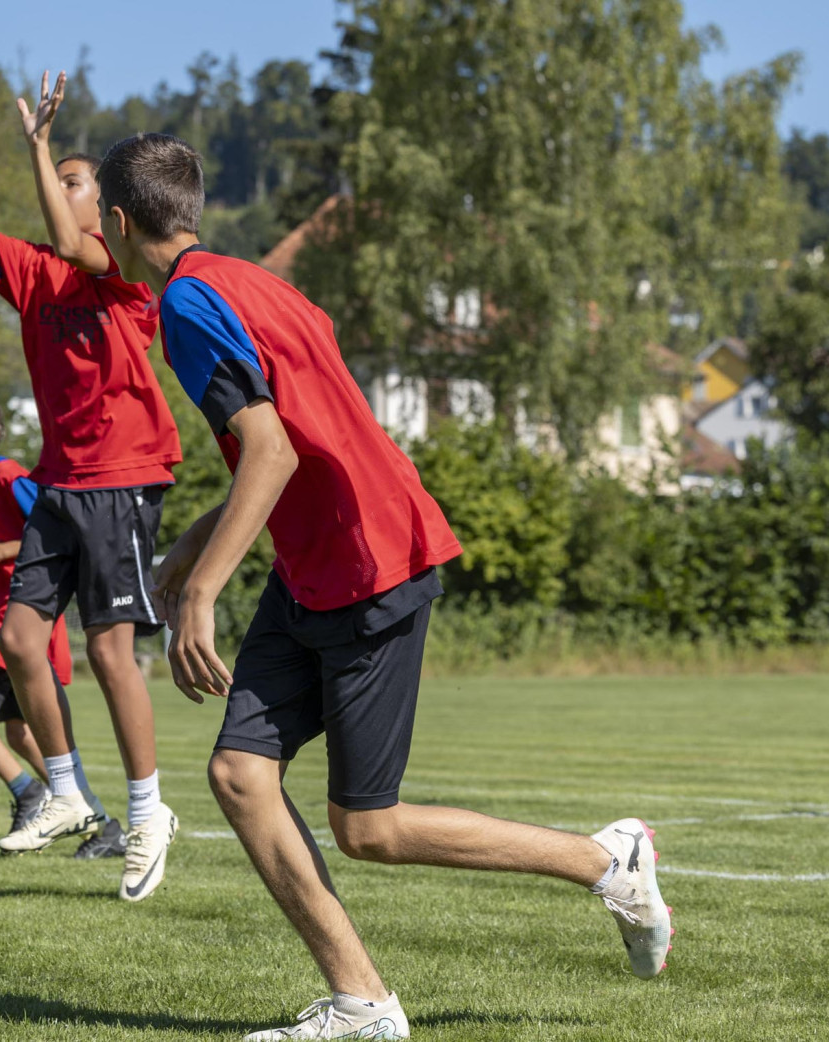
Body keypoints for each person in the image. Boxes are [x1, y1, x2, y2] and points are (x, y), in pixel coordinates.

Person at [95, 132, 675, 1040]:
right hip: (318, 561)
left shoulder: (184, 308)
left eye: (100, 220)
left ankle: (607, 860)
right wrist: (197, 544)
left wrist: (201, 587)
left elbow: (275, 449)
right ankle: (363, 1007)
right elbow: (300, 437)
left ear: (119, 222)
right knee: (241, 776)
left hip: (369, 565)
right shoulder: (259, 283)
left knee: (370, 828)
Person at [0, 72, 183, 898]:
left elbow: (71, 241)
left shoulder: (120, 267)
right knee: (20, 642)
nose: (60, 188)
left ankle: (150, 809)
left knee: (107, 651)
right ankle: (62, 790)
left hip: (123, 477)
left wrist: (40, 145)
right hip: (62, 481)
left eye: (74, 183)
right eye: (58, 180)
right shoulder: (36, 274)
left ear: (107, 209)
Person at [0, 385, 123, 858]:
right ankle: (104, 824)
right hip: (3, 623)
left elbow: (59, 535)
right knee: (21, 733)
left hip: (23, 624)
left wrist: (0, 550)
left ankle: (27, 792)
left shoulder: (10, 477)